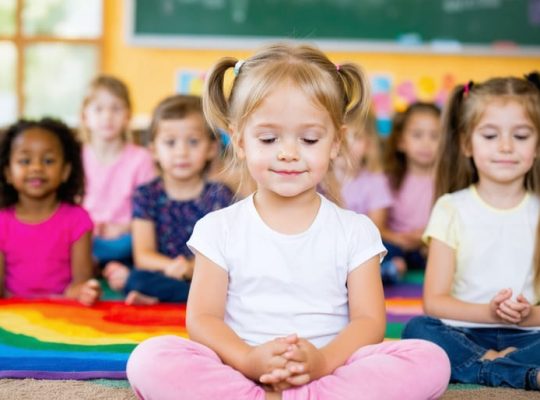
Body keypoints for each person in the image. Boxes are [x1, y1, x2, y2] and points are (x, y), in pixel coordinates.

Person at [126, 43, 450, 400]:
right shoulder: (217, 228)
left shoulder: (356, 231)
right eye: (268, 138)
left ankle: (301, 394)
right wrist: (250, 359)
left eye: (309, 139)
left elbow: (370, 322)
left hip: (330, 369)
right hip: (240, 368)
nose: (288, 152)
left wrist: (321, 362)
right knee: (150, 358)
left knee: (429, 359)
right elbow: (203, 319)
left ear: (336, 142)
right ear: (240, 141)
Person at [402, 73, 540, 390]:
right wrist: (490, 313)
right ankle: (517, 372)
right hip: (464, 332)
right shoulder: (451, 208)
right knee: (417, 329)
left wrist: (526, 316)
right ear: (467, 143)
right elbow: (434, 303)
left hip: (530, 334)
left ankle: (487, 367)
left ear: (538, 145)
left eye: (520, 136)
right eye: (490, 135)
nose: (505, 146)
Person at [103, 94, 233, 304]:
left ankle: (159, 298)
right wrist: (172, 268)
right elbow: (143, 256)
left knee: (228, 285)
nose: (181, 152)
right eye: (170, 143)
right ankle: (173, 296)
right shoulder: (146, 195)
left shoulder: (220, 195)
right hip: (161, 272)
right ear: (153, 150)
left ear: (211, 148)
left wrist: (190, 268)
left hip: (203, 274)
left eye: (193, 142)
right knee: (136, 278)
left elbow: (226, 254)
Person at [0, 118, 100, 306]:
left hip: (64, 314)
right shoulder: (2, 221)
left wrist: (85, 292)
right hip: (12, 316)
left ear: (65, 171)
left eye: (48, 160)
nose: (36, 168)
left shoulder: (77, 220)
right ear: (8, 173)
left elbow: (81, 284)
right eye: (25, 161)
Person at [80, 75, 156, 269]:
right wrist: (88, 227)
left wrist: (126, 227)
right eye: (99, 109)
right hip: (85, 237)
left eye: (116, 108)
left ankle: (114, 270)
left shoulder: (141, 158)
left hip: (127, 238)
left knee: (138, 241)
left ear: (128, 115)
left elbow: (150, 205)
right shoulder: (77, 157)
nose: (107, 116)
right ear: (85, 117)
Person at [380, 102, 441, 282]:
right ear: (401, 142)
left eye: (435, 136)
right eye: (417, 135)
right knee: (380, 247)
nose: (426, 143)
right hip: (397, 244)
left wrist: (427, 237)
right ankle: (390, 268)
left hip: (428, 245)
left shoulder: (447, 181)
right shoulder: (387, 180)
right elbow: (379, 227)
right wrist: (399, 239)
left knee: (442, 250)